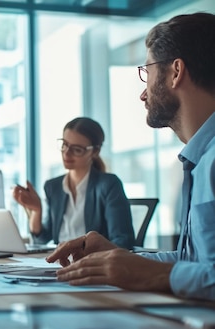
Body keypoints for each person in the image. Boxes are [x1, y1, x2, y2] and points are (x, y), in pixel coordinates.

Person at [47, 12, 215, 301]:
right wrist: (118, 257)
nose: (142, 93)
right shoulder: (201, 160)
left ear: (176, 72)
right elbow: (195, 261)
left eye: (147, 73)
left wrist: (153, 274)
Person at [12, 117, 134, 249]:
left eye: (76, 149)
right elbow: (41, 240)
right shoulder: (53, 186)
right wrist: (36, 211)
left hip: (93, 262)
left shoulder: (108, 185)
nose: (66, 153)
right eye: (64, 145)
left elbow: (123, 240)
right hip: (60, 261)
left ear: (95, 152)